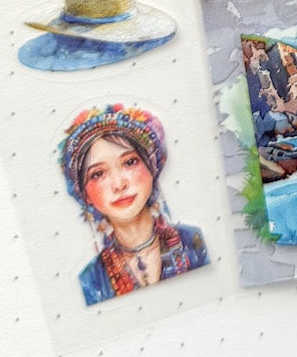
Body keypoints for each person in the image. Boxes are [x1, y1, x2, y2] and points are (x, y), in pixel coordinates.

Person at [58, 102, 210, 306]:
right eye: (98, 174)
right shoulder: (90, 281)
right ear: (85, 195)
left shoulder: (195, 242)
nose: (119, 184)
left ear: (152, 166)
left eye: (130, 162)